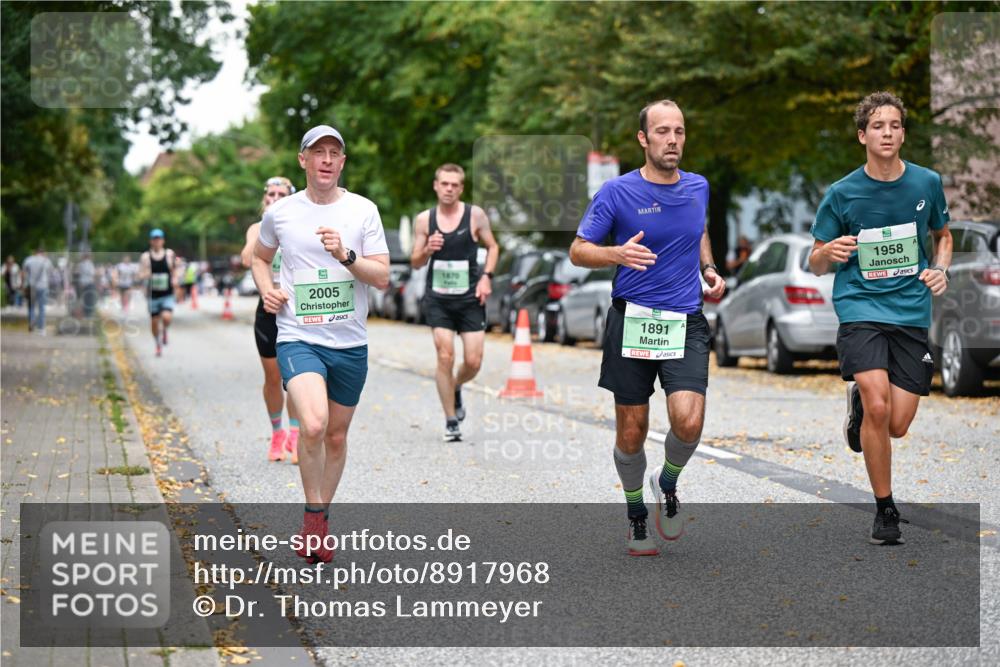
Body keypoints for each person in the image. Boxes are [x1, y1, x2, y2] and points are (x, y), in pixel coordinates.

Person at [569, 99, 726, 556]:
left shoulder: (698, 186)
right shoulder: (617, 192)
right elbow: (578, 250)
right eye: (662, 131)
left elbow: (698, 228)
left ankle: (668, 481)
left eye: (679, 131)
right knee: (632, 432)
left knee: (689, 422)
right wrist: (615, 254)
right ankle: (636, 513)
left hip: (685, 320)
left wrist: (709, 268)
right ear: (643, 138)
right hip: (633, 318)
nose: (672, 140)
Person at [809, 91, 952, 546]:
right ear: (862, 136)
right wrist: (829, 252)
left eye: (894, 125)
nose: (886, 133)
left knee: (897, 424)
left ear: (903, 134)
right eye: (877, 126)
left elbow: (943, 235)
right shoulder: (842, 192)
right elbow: (815, 260)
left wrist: (941, 269)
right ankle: (885, 508)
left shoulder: (927, 183)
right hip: (861, 307)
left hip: (910, 310)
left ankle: (860, 410)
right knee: (878, 405)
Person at [252, 125, 389, 564]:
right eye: (318, 152)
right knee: (312, 425)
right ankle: (313, 517)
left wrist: (346, 256)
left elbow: (382, 277)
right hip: (298, 336)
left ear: (342, 162)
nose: (326, 160)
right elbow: (259, 257)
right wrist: (267, 290)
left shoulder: (363, 210)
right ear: (303, 160)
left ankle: (321, 518)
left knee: (336, 435)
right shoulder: (281, 214)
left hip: (350, 342)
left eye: (334, 153)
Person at [410, 164, 499, 442]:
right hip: (438, 299)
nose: (449, 189)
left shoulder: (475, 216)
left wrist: (486, 277)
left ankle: (457, 385)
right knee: (445, 355)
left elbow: (493, 247)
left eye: (454, 185)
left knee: (473, 361)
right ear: (436, 186)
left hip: (470, 298)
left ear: (461, 188)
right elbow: (415, 262)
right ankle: (451, 421)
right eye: (444, 183)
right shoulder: (424, 220)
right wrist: (428, 249)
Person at [241, 176, 302, 463]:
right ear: (264, 198)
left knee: (299, 377)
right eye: (271, 194)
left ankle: (296, 434)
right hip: (268, 309)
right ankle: (278, 431)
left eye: (281, 194)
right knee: (273, 377)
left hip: (296, 309)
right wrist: (267, 223)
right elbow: (246, 259)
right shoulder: (256, 228)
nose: (275, 198)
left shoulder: (300, 224)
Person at [138, 229, 177, 357]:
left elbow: (176, 270)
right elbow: (140, 274)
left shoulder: (169, 254)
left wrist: (175, 279)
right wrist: (147, 274)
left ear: (163, 241)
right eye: (154, 239)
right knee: (154, 323)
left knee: (166, 317)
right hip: (153, 295)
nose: (157, 241)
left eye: (159, 239)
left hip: (167, 293)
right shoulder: (145, 257)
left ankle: (164, 330)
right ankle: (157, 343)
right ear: (151, 241)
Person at [22, 246, 56, 334]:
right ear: (43, 253)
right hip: (43, 286)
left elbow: (24, 273)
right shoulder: (46, 261)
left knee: (31, 306)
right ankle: (41, 328)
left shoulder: (29, 260)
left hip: (31, 286)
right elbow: (51, 272)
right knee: (41, 308)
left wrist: (24, 285)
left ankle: (31, 323)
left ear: (35, 252)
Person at [75, 252, 97, 318]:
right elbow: (92, 273)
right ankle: (89, 314)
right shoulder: (90, 264)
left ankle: (85, 313)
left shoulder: (80, 264)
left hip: (82, 283)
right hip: (89, 283)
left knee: (84, 298)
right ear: (88, 257)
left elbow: (78, 273)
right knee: (90, 299)